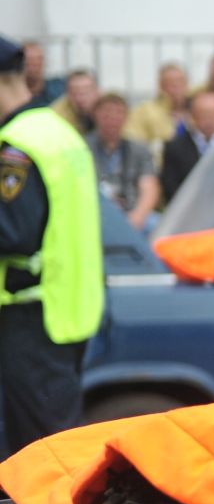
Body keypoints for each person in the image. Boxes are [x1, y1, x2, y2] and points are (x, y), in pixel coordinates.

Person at [0, 35, 104, 457]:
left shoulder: (17, 145)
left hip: (31, 314)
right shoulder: (58, 132)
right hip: (67, 309)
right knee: (53, 445)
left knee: (43, 454)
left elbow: (15, 233)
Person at [87, 93, 160, 234]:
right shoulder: (82, 148)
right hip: (95, 213)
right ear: (95, 115)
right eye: (106, 114)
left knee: (158, 225)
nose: (112, 120)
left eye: (118, 114)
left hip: (131, 210)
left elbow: (149, 187)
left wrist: (138, 215)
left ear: (126, 117)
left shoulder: (139, 149)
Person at [160, 89, 214, 205]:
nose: (210, 120)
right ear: (193, 116)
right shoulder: (174, 148)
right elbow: (171, 190)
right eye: (205, 114)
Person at [127, 62, 191, 150]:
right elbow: (133, 140)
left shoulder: (198, 109)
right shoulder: (144, 111)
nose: (176, 87)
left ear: (187, 84)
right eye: (170, 83)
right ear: (160, 86)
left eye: (180, 81)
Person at [50, 69, 99, 137]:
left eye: (86, 92)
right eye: (75, 93)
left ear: (97, 91)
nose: (81, 98)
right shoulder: (57, 115)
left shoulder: (109, 109)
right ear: (68, 94)